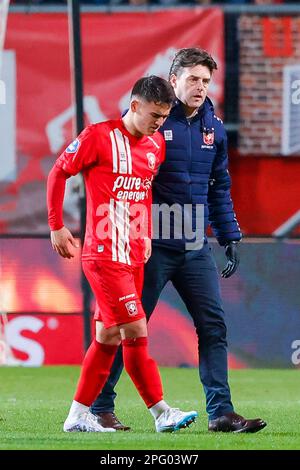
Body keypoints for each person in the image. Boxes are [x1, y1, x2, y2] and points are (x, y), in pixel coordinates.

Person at [91, 48, 267, 434]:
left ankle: (221, 413)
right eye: (193, 79)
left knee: (213, 326)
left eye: (205, 81)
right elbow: (126, 181)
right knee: (128, 327)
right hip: (150, 244)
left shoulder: (214, 129)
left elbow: (219, 186)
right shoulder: (151, 124)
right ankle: (100, 407)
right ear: (174, 81)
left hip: (194, 245)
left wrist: (228, 234)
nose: (200, 87)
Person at [47, 75, 198, 433]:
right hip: (102, 253)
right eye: (153, 115)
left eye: (163, 116)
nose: (158, 123)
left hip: (133, 255)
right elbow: (58, 172)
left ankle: (78, 416)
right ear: (134, 106)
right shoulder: (98, 136)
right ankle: (162, 413)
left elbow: (143, 191)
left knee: (108, 337)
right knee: (134, 329)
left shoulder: (155, 145)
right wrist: (57, 225)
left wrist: (144, 233)